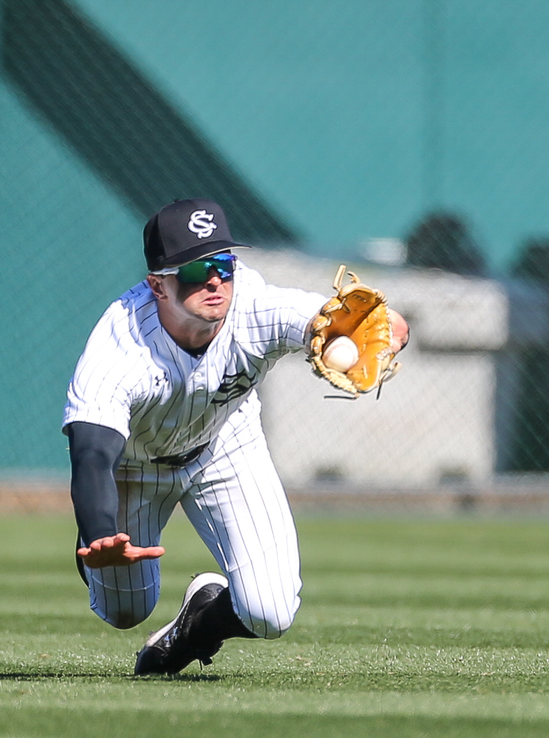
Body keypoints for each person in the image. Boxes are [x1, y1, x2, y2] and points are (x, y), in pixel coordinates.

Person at [63, 198, 408, 675]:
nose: (214, 280)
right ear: (157, 285)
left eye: (223, 262)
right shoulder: (121, 347)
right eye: (195, 268)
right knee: (126, 611)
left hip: (224, 448)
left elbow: (337, 320)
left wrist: (387, 331)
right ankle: (97, 555)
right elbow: (92, 453)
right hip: (133, 470)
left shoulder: (252, 304)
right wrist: (100, 533)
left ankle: (195, 628)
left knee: (270, 612)